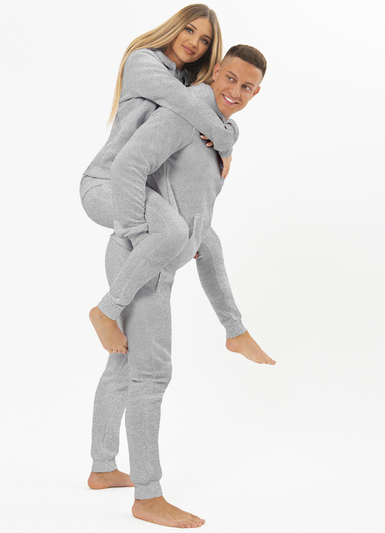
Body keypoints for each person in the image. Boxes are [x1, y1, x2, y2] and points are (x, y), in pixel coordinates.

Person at [87, 45, 276, 529]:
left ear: (257, 93)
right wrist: (139, 235)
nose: (235, 91)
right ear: (215, 73)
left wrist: (192, 237)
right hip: (140, 257)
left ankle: (103, 468)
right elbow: (129, 166)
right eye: (229, 78)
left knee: (124, 365)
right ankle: (148, 497)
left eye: (247, 87)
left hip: (160, 257)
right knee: (151, 375)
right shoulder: (181, 114)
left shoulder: (219, 133)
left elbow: (198, 214)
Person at [80, 4, 239, 355]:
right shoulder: (143, 62)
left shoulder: (189, 82)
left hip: (147, 191)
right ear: (175, 27)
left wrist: (229, 134)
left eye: (204, 40)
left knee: (207, 238)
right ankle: (105, 311)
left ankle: (235, 330)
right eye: (189, 30)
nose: (194, 42)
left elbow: (218, 112)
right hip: (107, 183)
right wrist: (225, 142)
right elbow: (186, 103)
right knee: (173, 232)